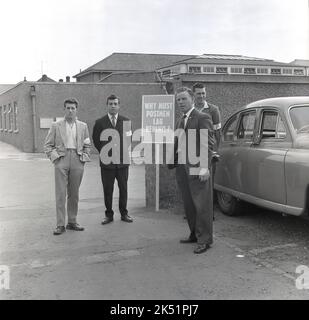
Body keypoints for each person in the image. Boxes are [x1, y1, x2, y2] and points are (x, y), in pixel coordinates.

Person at [168, 87, 215, 254]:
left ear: (192, 99)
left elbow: (208, 145)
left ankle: (205, 240)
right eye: (178, 100)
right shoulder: (181, 120)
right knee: (189, 204)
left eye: (183, 99)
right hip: (182, 167)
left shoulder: (202, 117)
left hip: (197, 167)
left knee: (202, 205)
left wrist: (204, 167)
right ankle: (195, 234)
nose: (180, 102)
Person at [44, 98, 91, 235]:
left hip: (77, 159)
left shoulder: (83, 126)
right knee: (60, 194)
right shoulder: (56, 125)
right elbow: (47, 145)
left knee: (74, 194)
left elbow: (87, 143)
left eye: (73, 108)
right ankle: (60, 225)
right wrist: (56, 159)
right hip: (62, 159)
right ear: (64, 109)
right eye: (68, 108)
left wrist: (83, 158)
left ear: (76, 110)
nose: (70, 111)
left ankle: (72, 221)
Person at [92, 94, 133, 225]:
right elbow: (96, 140)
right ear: (107, 105)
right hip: (107, 163)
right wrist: (105, 152)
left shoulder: (126, 121)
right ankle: (108, 215)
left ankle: (124, 213)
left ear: (119, 105)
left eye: (115, 104)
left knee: (123, 188)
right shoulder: (100, 122)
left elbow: (128, 139)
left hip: (122, 163)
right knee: (108, 189)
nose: (113, 106)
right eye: (110, 104)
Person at [192, 82, 221, 151]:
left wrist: (218, 149)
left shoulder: (214, 109)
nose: (201, 96)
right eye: (199, 93)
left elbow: (217, 131)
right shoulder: (189, 110)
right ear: (193, 94)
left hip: (208, 148)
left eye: (203, 93)